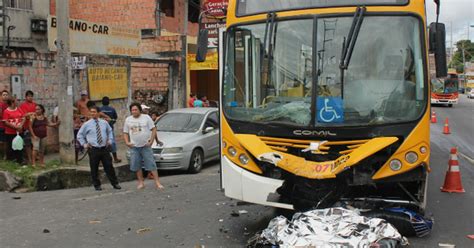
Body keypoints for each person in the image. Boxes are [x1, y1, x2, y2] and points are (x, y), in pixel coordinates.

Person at [77, 106, 121, 191]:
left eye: (94, 112)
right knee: (94, 167)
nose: (92, 113)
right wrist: (84, 144)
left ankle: (115, 183)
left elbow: (110, 131)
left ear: (98, 113)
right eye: (91, 112)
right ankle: (97, 185)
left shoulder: (104, 123)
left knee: (109, 166)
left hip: (104, 148)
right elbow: (80, 135)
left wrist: (110, 140)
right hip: (93, 149)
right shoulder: (87, 124)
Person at [123, 103, 164, 190]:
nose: (134, 111)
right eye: (132, 110)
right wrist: (127, 142)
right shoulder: (128, 120)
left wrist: (151, 141)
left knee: (151, 164)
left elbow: (153, 129)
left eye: (135, 110)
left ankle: (157, 182)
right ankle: (141, 182)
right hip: (134, 146)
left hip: (145, 146)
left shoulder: (146, 118)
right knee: (137, 165)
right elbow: (125, 132)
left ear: (139, 110)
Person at [2, 97, 26, 164]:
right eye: (16, 101)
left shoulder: (19, 109)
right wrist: (15, 127)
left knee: (20, 145)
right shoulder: (6, 111)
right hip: (10, 133)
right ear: (12, 102)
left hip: (19, 131)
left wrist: (21, 125)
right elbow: (6, 122)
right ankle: (12, 160)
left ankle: (20, 160)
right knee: (12, 147)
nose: (17, 102)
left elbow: (23, 118)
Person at [100, 96, 121, 163]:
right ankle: (115, 159)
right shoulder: (112, 109)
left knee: (101, 143)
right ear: (108, 102)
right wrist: (111, 123)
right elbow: (115, 118)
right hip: (110, 128)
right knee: (112, 143)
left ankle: (100, 162)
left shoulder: (100, 109)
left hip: (101, 129)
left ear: (102, 102)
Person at [19, 90, 37, 165]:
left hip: (35, 126)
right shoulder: (23, 105)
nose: (30, 97)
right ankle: (29, 159)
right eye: (29, 96)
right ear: (26, 97)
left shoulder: (35, 104)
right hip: (26, 127)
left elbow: (37, 113)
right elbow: (23, 115)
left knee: (35, 143)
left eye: (31, 96)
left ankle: (35, 158)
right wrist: (30, 114)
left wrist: (31, 114)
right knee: (27, 144)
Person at [0, 90, 10, 159]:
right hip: (1, 125)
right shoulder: (0, 104)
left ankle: (6, 155)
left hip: (9, 126)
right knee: (1, 142)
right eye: (4, 95)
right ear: (1, 96)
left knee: (7, 142)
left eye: (6, 95)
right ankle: (3, 155)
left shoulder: (10, 105)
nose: (5, 96)